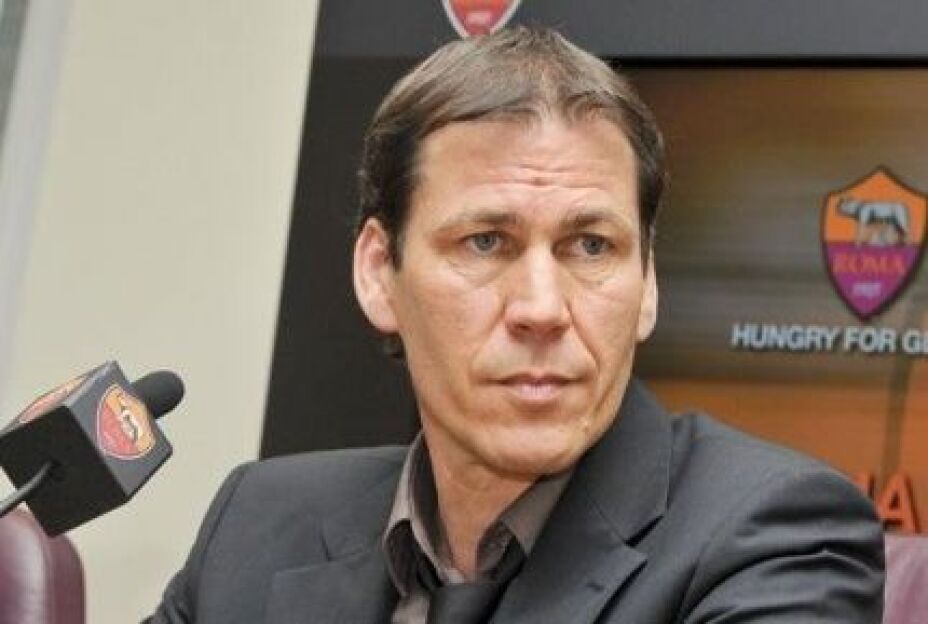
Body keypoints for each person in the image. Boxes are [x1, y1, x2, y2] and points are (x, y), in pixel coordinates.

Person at [148, 27, 884, 623]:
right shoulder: (259, 522)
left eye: (590, 246)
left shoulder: (777, 534)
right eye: (485, 242)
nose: (542, 309)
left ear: (648, 283)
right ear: (378, 272)